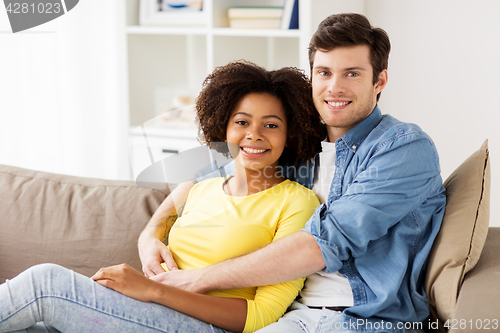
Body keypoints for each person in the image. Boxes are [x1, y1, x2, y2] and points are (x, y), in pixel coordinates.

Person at [139, 13, 447, 333]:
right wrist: (151, 233)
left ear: (379, 81)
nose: (334, 87)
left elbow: (323, 244)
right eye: (324, 72)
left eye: (352, 74)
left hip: (366, 319)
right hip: (293, 314)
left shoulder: (403, 148)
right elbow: (204, 178)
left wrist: (197, 280)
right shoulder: (302, 145)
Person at [0, 61, 324, 333]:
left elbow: (262, 314)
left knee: (46, 283)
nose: (254, 134)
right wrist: (149, 247)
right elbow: (160, 222)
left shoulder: (298, 203)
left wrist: (153, 290)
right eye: (242, 122)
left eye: (271, 125)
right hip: (148, 311)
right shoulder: (202, 188)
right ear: (224, 127)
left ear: (290, 134)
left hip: (205, 326)